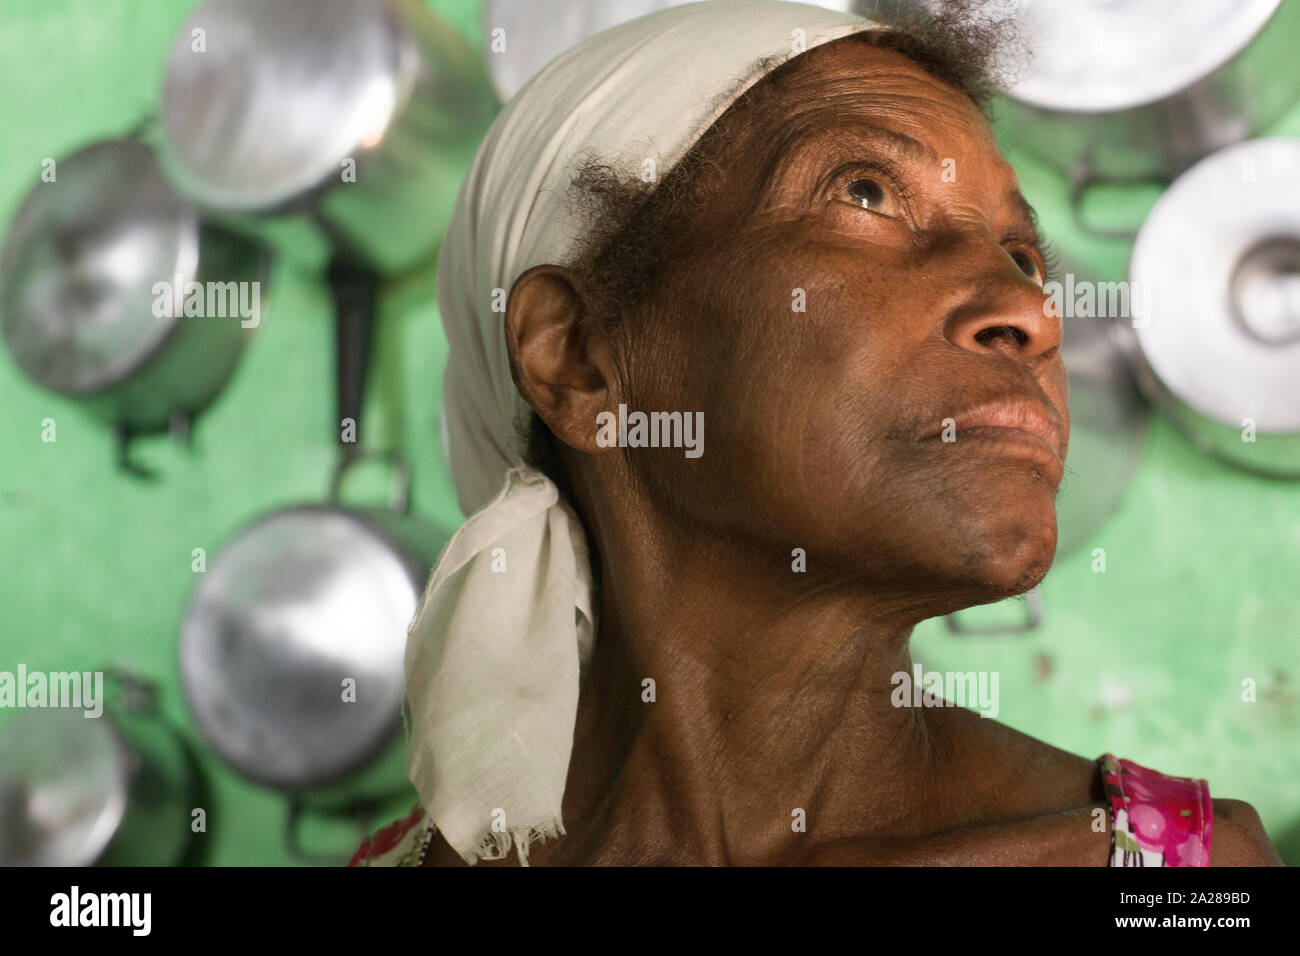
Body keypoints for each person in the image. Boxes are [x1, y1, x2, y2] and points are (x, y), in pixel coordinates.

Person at [350, 0, 1281, 867]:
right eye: (866, 193)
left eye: (1021, 252)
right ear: (582, 359)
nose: (1030, 311)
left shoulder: (1174, 877)